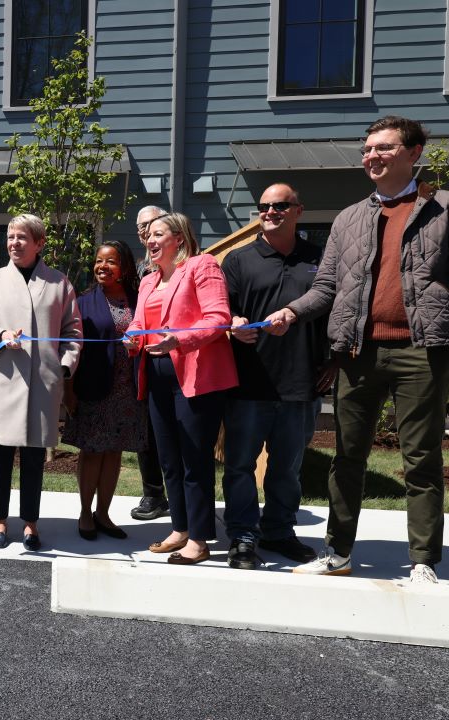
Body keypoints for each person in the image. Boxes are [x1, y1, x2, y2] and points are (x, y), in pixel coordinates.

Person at [265, 116, 449, 584]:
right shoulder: (349, 218)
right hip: (357, 352)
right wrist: (292, 312)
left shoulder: (443, 209)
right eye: (368, 149)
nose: (372, 156)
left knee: (420, 459)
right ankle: (338, 551)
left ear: (414, 153)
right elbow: (326, 285)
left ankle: (423, 559)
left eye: (384, 148)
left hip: (421, 351)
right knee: (348, 457)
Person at [220, 184, 329, 569]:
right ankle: (243, 536)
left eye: (280, 205)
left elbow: (333, 312)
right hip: (249, 381)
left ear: (298, 210)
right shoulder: (238, 260)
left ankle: (278, 531)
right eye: (264, 206)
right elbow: (221, 312)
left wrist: (331, 362)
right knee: (240, 466)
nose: (270, 211)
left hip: (301, 380)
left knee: (287, 468)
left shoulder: (320, 258)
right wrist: (233, 324)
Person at [123, 213, 237, 565]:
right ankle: (181, 528)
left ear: (180, 239)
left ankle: (200, 539)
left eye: (158, 234)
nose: (150, 240)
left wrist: (180, 339)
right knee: (168, 458)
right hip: (157, 375)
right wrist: (132, 337)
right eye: (147, 236)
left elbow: (218, 318)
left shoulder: (203, 266)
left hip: (196, 373)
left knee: (194, 458)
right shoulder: (148, 281)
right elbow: (141, 322)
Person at [0, 214, 80, 551]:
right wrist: (0, 335)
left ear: (39, 243)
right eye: (10, 236)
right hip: (5, 379)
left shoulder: (60, 284)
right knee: (0, 455)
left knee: (35, 457)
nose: (14, 243)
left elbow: (73, 332)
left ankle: (31, 523)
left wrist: (64, 366)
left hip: (44, 383)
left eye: (21, 237)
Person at [62, 240, 147, 542]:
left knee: (114, 453)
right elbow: (71, 348)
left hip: (128, 391)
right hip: (94, 389)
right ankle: (85, 512)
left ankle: (104, 513)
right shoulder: (83, 302)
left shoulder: (140, 299)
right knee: (92, 452)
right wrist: (68, 389)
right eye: (99, 261)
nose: (102, 266)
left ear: (123, 267)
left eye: (110, 261)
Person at [130, 205, 170, 522]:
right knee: (146, 431)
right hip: (141, 359)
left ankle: (185, 500)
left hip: (176, 358)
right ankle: (153, 494)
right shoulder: (139, 271)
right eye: (141, 226)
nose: (145, 231)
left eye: (152, 225)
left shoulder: (180, 264)